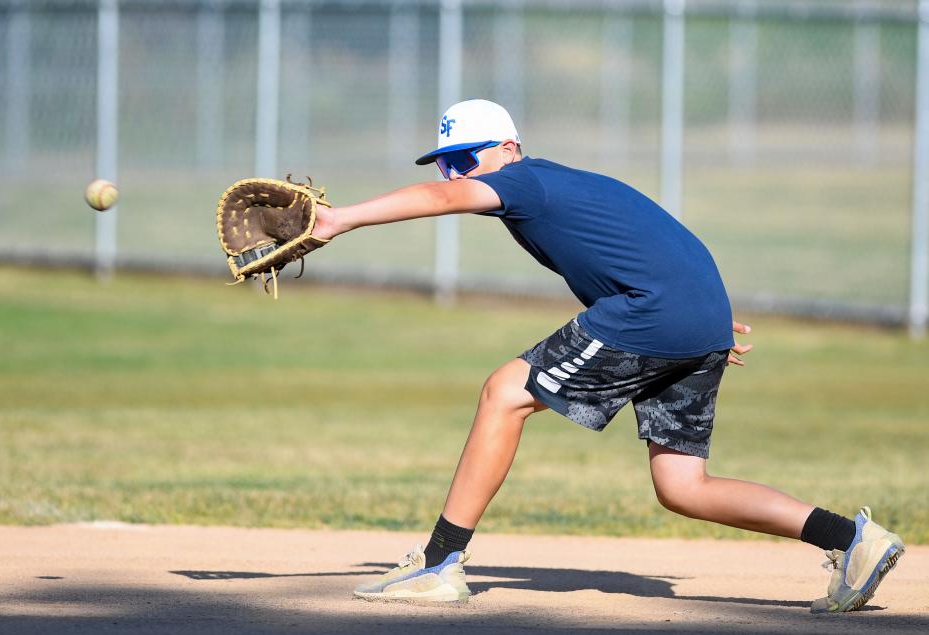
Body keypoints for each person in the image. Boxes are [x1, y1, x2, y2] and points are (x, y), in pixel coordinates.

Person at [310, 99, 905, 612]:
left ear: (508, 149)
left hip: (657, 311)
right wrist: (704, 319)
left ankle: (438, 564)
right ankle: (851, 539)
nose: (453, 173)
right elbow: (653, 237)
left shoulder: (524, 180)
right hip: (692, 309)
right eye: (445, 161)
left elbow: (440, 201)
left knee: (503, 394)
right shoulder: (566, 185)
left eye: (464, 160)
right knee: (682, 486)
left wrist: (339, 219)